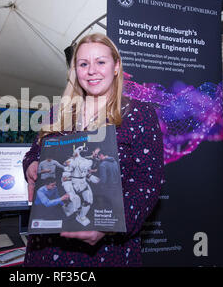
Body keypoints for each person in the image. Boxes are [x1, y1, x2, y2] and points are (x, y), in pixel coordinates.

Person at [23, 33, 165, 266]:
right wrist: (31, 166)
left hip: (108, 251)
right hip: (48, 249)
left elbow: (148, 182)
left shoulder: (139, 114)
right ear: (74, 70)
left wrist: (109, 226)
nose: (92, 71)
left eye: (101, 62)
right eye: (83, 64)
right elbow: (33, 153)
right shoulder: (57, 113)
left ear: (116, 66)